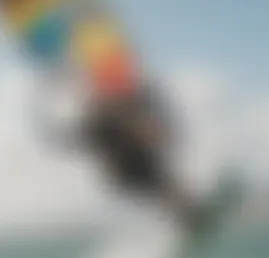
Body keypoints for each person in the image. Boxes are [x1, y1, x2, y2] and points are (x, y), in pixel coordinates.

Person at [36, 72, 203, 231]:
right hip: (125, 170)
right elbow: (66, 140)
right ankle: (187, 217)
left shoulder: (116, 112)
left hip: (134, 164)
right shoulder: (94, 124)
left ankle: (187, 216)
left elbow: (147, 112)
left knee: (166, 186)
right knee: (163, 186)